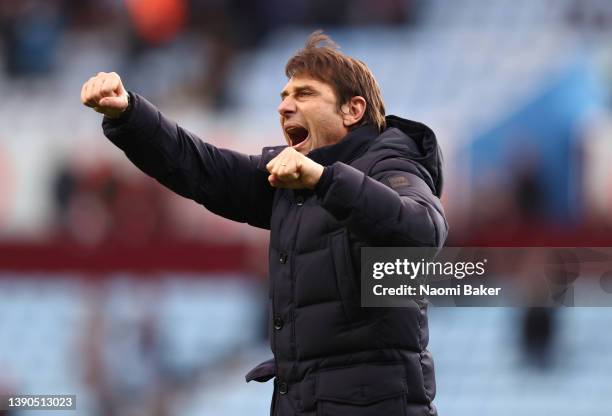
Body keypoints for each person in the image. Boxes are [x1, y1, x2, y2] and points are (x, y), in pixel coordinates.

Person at [81, 31, 448, 416]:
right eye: (283, 97)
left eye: (303, 94)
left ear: (352, 110)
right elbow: (203, 168)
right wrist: (128, 115)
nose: (285, 107)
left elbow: (422, 233)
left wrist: (324, 180)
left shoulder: (392, 163)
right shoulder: (290, 180)